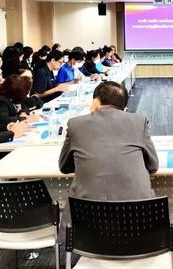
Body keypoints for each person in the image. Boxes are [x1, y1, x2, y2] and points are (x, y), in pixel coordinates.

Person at [59, 81, 158, 232]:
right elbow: (153, 165)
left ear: (95, 102)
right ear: (124, 107)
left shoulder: (75, 124)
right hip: (138, 223)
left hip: (87, 226)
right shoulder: (139, 122)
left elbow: (64, 167)